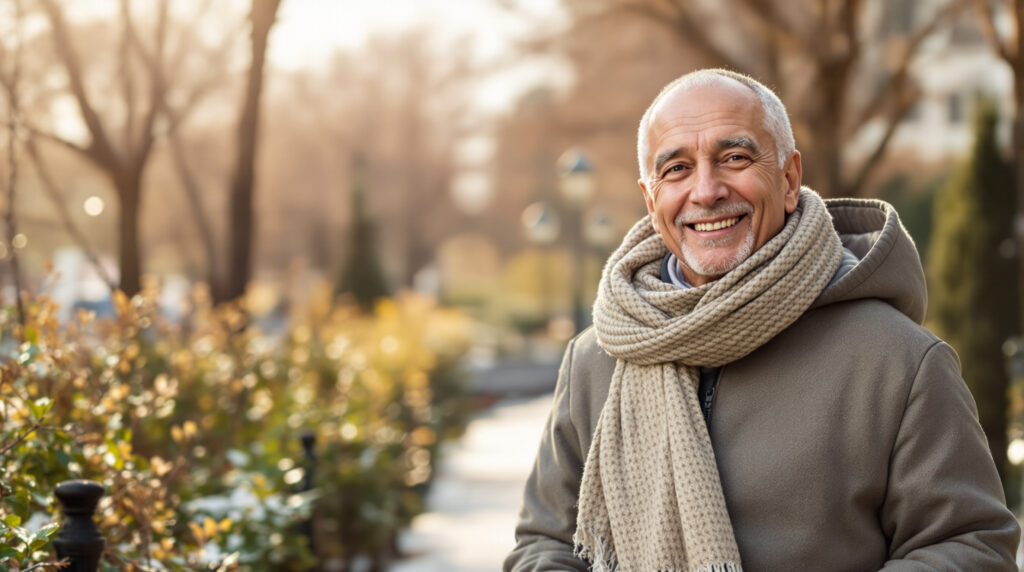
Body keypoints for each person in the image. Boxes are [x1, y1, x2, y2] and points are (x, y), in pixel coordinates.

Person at [504, 68, 1022, 571]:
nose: (706, 191)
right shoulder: (594, 361)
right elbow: (544, 543)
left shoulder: (900, 362)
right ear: (651, 198)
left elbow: (970, 543)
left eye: (734, 157)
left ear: (790, 178)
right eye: (677, 168)